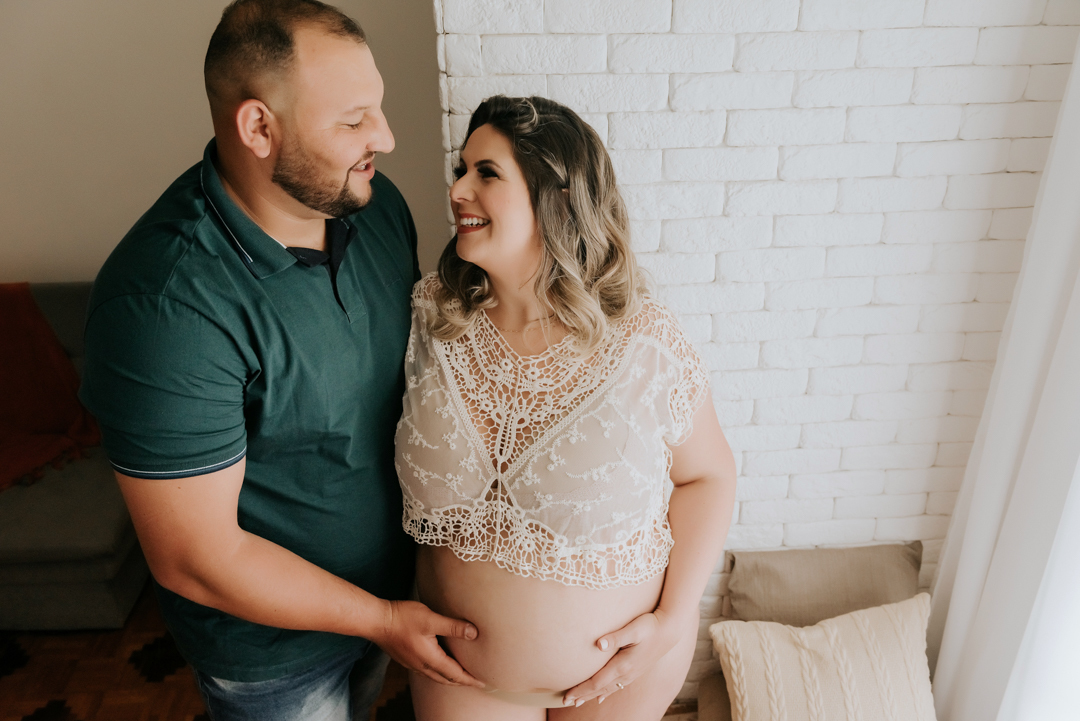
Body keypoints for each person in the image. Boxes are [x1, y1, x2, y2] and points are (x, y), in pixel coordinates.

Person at [79, 2, 482, 719]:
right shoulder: (163, 308)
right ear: (259, 128)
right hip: (275, 660)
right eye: (353, 121)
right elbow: (197, 558)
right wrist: (383, 619)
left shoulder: (373, 204)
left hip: (393, 602)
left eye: (378, 107)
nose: (386, 137)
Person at [395, 95, 739, 721]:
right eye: (461, 170)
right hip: (461, 675)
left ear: (556, 198)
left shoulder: (645, 343)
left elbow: (709, 476)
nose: (457, 189)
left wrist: (672, 618)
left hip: (620, 680)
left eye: (486, 173)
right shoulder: (428, 317)